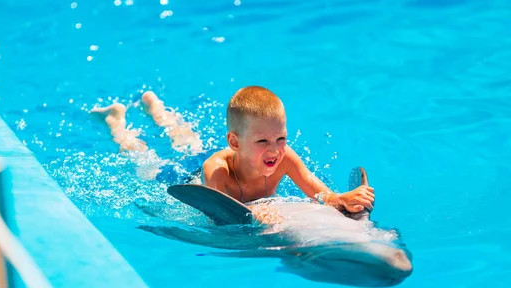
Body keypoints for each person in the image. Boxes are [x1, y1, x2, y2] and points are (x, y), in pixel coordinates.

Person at [90, 86, 374, 222]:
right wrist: (257, 214)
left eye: (281, 138)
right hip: (187, 176)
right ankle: (116, 121)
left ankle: (155, 107)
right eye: (263, 140)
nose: (275, 149)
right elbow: (218, 212)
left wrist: (340, 199)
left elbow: (319, 192)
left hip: (224, 159)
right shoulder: (217, 170)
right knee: (144, 159)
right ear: (235, 142)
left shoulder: (284, 158)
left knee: (185, 138)